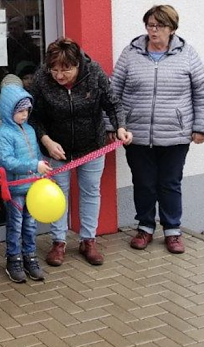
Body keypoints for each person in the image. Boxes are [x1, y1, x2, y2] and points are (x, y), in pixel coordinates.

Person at [110, 5, 204, 255]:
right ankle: (145, 227)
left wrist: (201, 127)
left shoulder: (187, 54)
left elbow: (203, 93)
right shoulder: (131, 53)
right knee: (144, 183)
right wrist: (114, 125)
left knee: (170, 183)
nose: (153, 30)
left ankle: (172, 231)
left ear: (172, 29)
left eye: (159, 26)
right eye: (150, 25)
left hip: (175, 135)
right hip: (136, 134)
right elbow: (113, 92)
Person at [29, 39, 131, 267]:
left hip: (91, 145)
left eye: (66, 69)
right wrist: (46, 141)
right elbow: (33, 116)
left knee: (90, 191)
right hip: (56, 148)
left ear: (78, 64)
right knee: (58, 194)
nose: (59, 75)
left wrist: (120, 127)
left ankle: (88, 240)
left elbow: (112, 103)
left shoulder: (94, 73)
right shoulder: (42, 78)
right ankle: (58, 242)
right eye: (54, 69)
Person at [0, 84, 51, 283]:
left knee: (30, 225)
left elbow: (36, 152)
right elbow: (7, 161)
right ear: (8, 110)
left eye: (27, 110)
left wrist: (42, 166)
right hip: (15, 188)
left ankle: (30, 257)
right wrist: (33, 165)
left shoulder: (29, 129)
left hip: (33, 187)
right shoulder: (3, 133)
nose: (24, 115)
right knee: (15, 225)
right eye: (19, 111)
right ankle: (14, 259)